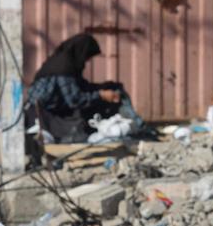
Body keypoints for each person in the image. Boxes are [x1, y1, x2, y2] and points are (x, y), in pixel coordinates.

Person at [24, 33, 153, 162]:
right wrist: (101, 95)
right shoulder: (63, 67)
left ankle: (137, 126)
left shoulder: (65, 64)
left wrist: (103, 89)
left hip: (56, 112)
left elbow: (79, 87)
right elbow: (74, 99)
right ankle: (139, 127)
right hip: (47, 117)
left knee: (114, 88)